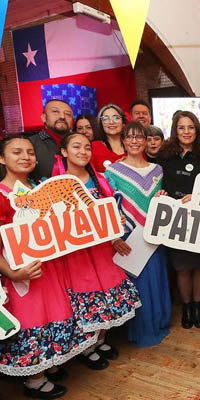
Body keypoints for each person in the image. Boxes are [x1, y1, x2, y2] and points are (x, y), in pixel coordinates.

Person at [0, 136, 97, 398]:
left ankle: (49, 365)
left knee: (54, 315)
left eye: (30, 152)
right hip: (23, 274)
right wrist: (12, 272)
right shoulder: (1, 195)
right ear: (2, 159)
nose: (25, 157)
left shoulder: (39, 187)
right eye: (17, 152)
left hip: (51, 269)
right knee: (33, 321)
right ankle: (34, 381)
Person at [53, 132, 141, 369]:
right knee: (86, 299)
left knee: (107, 297)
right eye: (76, 147)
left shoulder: (101, 180)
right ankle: (87, 348)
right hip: (77, 256)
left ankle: (100, 340)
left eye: (87, 147)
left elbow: (110, 213)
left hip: (103, 251)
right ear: (64, 152)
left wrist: (116, 229)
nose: (83, 152)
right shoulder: (54, 185)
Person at [105, 122, 172, 347]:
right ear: (123, 140)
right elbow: (107, 206)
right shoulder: (112, 171)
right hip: (128, 237)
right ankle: (140, 330)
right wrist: (114, 237)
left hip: (153, 234)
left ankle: (159, 322)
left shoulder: (158, 170)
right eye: (129, 137)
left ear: (146, 141)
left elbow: (159, 201)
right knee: (138, 284)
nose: (134, 141)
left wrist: (163, 197)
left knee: (156, 279)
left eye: (139, 137)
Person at [158, 111, 200, 329]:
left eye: (190, 127)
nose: (186, 132)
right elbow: (158, 182)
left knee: (199, 266)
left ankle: (198, 306)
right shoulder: (165, 155)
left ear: (196, 130)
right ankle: (187, 306)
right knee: (181, 268)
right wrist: (160, 193)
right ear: (175, 130)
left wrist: (199, 196)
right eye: (181, 127)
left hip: (199, 219)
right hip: (174, 219)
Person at [30, 99, 73, 182]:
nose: (62, 117)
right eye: (55, 112)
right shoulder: (30, 144)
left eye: (67, 114)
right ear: (44, 117)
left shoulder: (79, 144)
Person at [91, 104, 127, 173]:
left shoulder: (134, 144)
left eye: (116, 118)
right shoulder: (94, 147)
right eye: (105, 119)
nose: (111, 122)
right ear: (101, 124)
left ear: (123, 123)